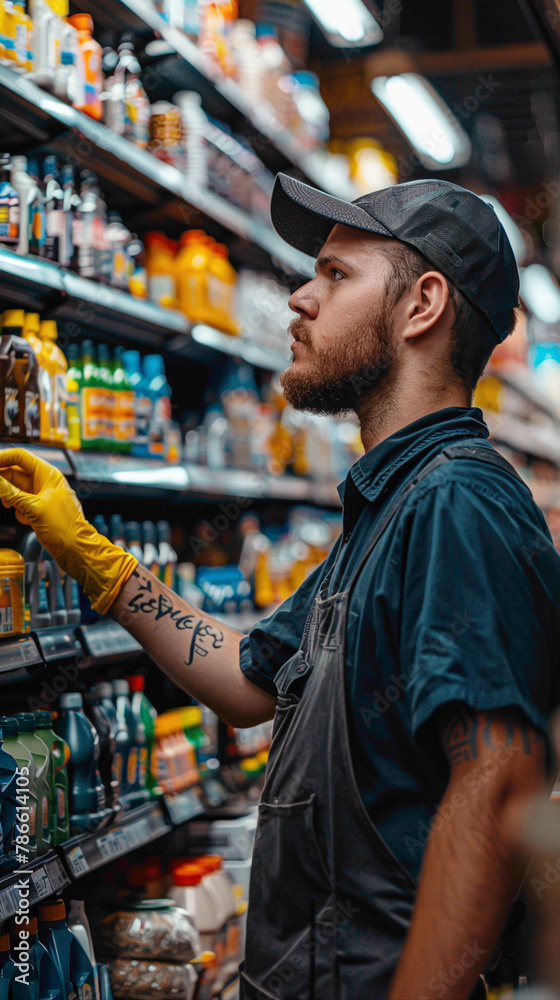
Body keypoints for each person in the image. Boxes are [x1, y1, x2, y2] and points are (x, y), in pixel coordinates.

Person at [0, 176, 559, 1000]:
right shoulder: (391, 510)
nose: (299, 298)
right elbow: (250, 682)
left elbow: (497, 780)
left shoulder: (455, 503)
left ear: (422, 306)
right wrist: (93, 557)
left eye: (336, 275)